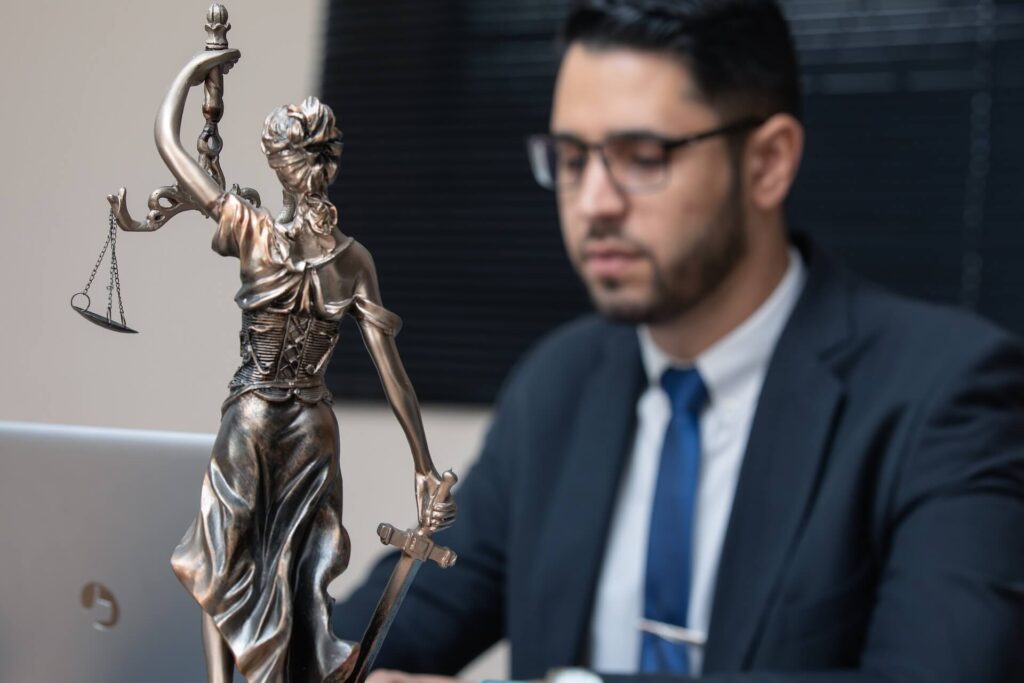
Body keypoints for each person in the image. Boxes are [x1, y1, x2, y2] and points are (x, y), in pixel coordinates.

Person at [332, 1, 1024, 681]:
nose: (594, 201)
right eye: (572, 158)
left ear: (768, 162)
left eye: (641, 155)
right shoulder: (560, 384)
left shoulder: (947, 391)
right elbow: (367, 638)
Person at [114, 46, 457, 683]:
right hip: (264, 422)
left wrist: (423, 465)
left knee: (293, 571)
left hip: (295, 428)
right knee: (224, 562)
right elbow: (171, 145)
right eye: (309, 152)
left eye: (328, 151)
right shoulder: (258, 231)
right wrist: (196, 70)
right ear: (280, 162)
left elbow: (392, 370)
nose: (320, 165)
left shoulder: (339, 255)